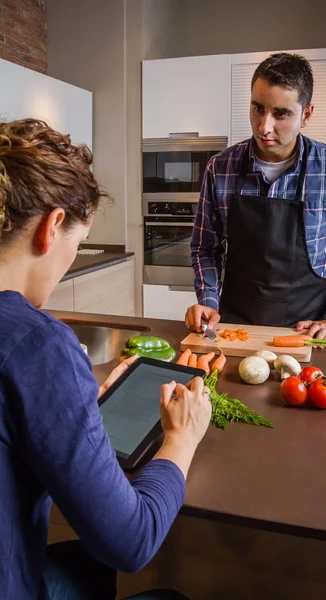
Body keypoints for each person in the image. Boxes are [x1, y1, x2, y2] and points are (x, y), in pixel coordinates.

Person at [0, 118, 212, 600]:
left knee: (84, 565)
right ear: (53, 227)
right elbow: (131, 541)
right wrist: (180, 438)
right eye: (76, 245)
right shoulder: (37, 344)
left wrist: (68, 409)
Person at [186, 52, 326, 341]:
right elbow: (204, 249)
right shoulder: (220, 168)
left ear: (307, 114)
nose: (264, 126)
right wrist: (208, 301)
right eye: (257, 108)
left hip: (306, 331)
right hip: (235, 330)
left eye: (281, 114)